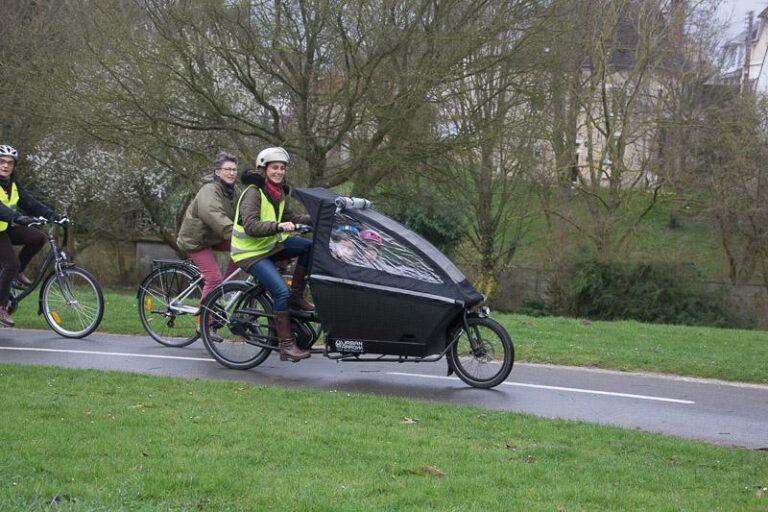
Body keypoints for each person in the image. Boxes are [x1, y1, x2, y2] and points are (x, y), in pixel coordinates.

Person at [231, 147, 314, 362]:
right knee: (280, 293)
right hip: (250, 253)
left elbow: (291, 217)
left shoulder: (277, 193)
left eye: (282, 168)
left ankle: (297, 295)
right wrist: (278, 227)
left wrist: (318, 218)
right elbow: (251, 225)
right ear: (264, 169)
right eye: (275, 167)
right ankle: (286, 345)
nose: (279, 172)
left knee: (308, 247)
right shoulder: (253, 192)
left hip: (269, 247)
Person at [0, 144, 65, 327]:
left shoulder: (13, 184)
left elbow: (31, 203)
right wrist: (18, 218)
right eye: (1, 162)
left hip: (4, 228)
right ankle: (1, 306)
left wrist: (54, 216)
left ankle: (17, 273)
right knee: (10, 263)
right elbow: (1, 210)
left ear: (14, 166)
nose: (5, 166)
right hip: (3, 226)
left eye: (10, 163)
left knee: (38, 238)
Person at [176, 152, 240, 306]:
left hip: (214, 236)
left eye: (234, 170)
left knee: (243, 249)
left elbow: (243, 213)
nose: (232, 173)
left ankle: (226, 288)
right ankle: (204, 322)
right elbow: (212, 213)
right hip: (196, 240)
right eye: (228, 169)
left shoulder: (233, 191)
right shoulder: (210, 189)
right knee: (213, 278)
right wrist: (235, 232)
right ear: (218, 172)